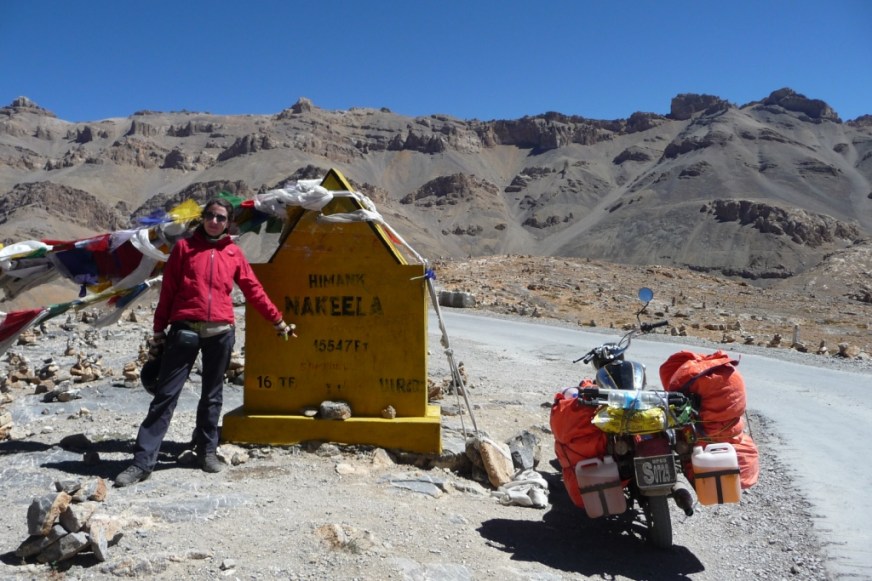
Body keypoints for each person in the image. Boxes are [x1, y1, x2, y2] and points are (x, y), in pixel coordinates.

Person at [115, 198, 295, 487]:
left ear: (228, 222)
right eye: (210, 216)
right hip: (183, 331)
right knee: (165, 397)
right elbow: (168, 291)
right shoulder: (184, 249)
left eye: (221, 217)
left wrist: (277, 320)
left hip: (221, 333)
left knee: (212, 396)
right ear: (203, 219)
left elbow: (253, 290)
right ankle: (141, 462)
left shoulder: (234, 253)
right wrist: (159, 331)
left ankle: (207, 452)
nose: (214, 221)